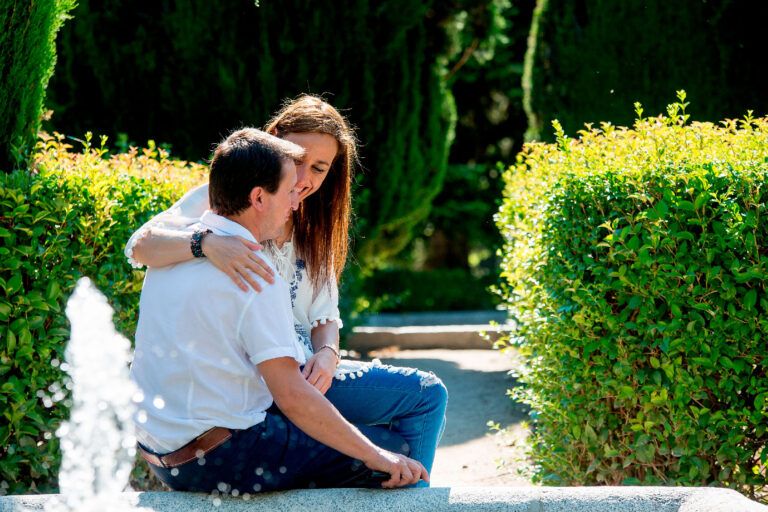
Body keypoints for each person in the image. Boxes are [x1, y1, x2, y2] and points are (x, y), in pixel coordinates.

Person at [125, 96, 448, 478]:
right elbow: (141, 246)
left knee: (404, 415)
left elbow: (325, 315)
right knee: (417, 406)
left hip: (301, 369)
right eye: (297, 160)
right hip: (259, 380)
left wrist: (328, 353)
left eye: (319, 168)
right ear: (275, 144)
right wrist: (205, 244)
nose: (304, 179)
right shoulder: (230, 193)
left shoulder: (317, 225)